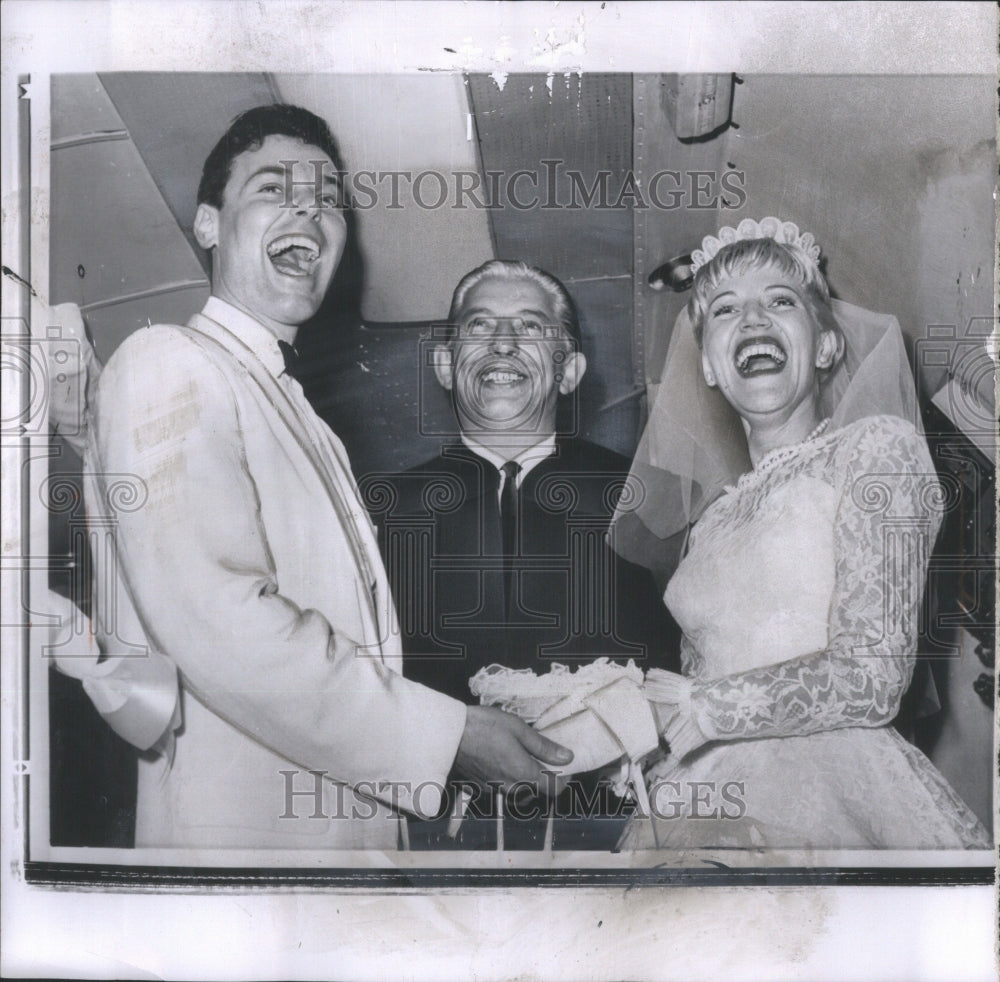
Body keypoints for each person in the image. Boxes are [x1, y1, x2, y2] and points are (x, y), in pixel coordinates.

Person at [82, 105, 570, 850]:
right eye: (274, 188)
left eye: (327, 201)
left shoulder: (299, 413)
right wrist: (449, 736)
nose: (310, 211)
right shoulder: (168, 364)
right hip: (247, 854)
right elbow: (221, 617)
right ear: (208, 224)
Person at [612, 217, 990, 849]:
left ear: (824, 348)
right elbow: (699, 672)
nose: (753, 319)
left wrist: (704, 710)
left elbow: (872, 677)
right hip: (699, 793)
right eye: (726, 310)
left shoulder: (876, 450)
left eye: (780, 301)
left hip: (833, 786)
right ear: (709, 366)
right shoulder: (713, 519)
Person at [365, 260, 677, 849]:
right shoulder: (375, 510)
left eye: (531, 328)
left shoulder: (643, 496)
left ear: (569, 372)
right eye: (479, 326)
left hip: (617, 839)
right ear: (444, 365)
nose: (503, 343)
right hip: (430, 843)